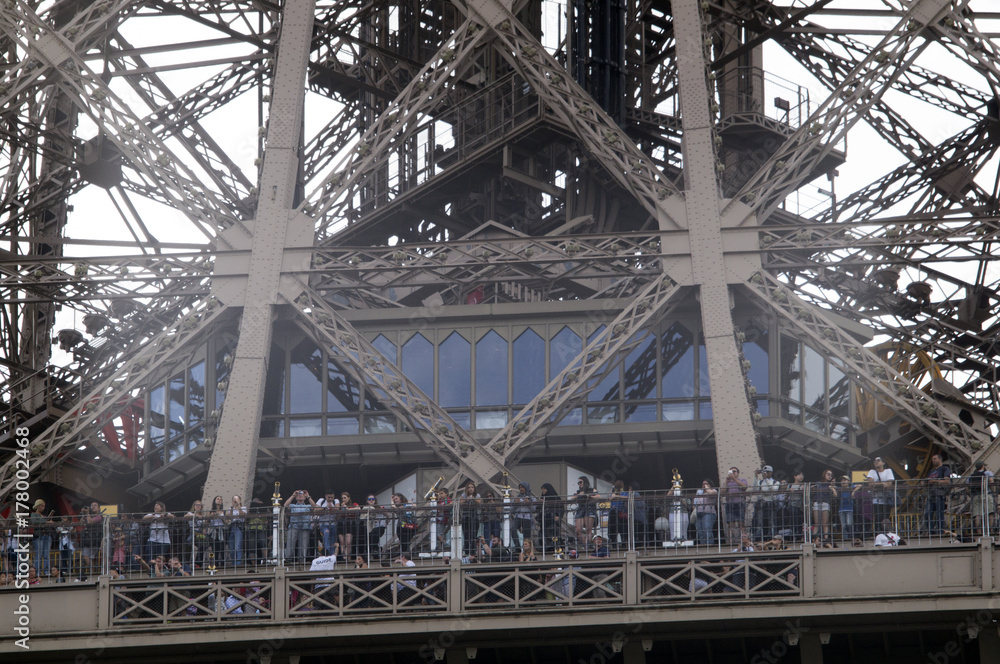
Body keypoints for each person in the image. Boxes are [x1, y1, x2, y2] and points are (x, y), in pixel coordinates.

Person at [284, 489, 317, 564]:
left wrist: (308, 496)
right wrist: (293, 495)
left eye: (302, 494)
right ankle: (288, 559)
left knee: (304, 544)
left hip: (305, 526)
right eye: (298, 495)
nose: (300, 495)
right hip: (293, 526)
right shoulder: (293, 505)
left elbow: (314, 506)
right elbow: (286, 505)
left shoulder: (308, 506)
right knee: (290, 542)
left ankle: (302, 560)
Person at [866, 457, 896, 537]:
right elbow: (870, 484)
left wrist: (876, 484)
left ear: (883, 463)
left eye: (878, 461)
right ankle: (878, 535)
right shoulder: (872, 471)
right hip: (876, 499)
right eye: (875, 461)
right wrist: (882, 484)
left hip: (886, 500)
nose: (876, 462)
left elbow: (889, 484)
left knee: (886, 517)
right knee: (878, 517)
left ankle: (886, 534)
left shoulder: (888, 471)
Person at [925, 454, 952, 537]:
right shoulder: (931, 471)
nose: (933, 460)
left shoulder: (945, 469)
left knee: (939, 513)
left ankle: (940, 531)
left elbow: (947, 481)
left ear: (940, 459)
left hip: (939, 494)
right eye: (932, 459)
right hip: (930, 495)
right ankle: (931, 531)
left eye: (935, 459)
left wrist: (935, 481)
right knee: (927, 513)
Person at [722, 467, 748, 547]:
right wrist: (727, 481)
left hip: (739, 503)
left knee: (741, 523)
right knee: (730, 524)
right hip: (730, 504)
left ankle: (742, 540)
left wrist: (735, 479)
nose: (733, 473)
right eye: (731, 471)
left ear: (738, 473)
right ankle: (731, 540)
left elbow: (744, 487)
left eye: (734, 471)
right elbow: (722, 492)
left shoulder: (742, 480)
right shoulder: (728, 482)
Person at [752, 466, 779, 540]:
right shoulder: (760, 482)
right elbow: (754, 488)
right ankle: (759, 537)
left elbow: (772, 490)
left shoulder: (775, 482)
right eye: (764, 472)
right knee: (759, 521)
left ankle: (772, 537)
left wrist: (766, 479)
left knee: (772, 521)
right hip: (762, 503)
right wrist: (755, 476)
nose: (765, 474)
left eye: (767, 472)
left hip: (771, 503)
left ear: (771, 473)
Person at [968, 461, 995, 537]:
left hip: (976, 496)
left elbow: (968, 486)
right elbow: (991, 482)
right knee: (990, 512)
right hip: (986, 494)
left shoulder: (972, 476)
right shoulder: (987, 473)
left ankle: (979, 532)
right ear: (983, 466)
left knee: (977, 514)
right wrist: (992, 492)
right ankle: (990, 530)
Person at [30, 499, 55, 577]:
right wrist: (46, 522)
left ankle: (46, 570)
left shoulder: (43, 516)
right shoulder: (34, 515)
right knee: (39, 555)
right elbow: (34, 522)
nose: (43, 507)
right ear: (38, 506)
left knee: (46, 554)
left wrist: (49, 523)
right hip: (39, 536)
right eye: (42, 506)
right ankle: (38, 571)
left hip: (46, 535)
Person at [80, 501, 103, 581]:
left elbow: (90, 522)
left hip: (95, 539)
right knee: (87, 556)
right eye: (92, 505)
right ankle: (92, 572)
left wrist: (87, 514)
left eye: (95, 505)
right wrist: (84, 514)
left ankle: (92, 572)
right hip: (87, 539)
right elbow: (81, 523)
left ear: (99, 508)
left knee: (88, 556)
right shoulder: (88, 515)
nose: (93, 507)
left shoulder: (99, 516)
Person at [457, 481, 481, 557]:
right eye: (469, 487)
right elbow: (460, 502)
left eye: (472, 487)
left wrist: (473, 499)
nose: (470, 489)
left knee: (473, 534)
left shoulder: (477, 495)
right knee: (466, 535)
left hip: (474, 517)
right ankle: (467, 551)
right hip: (466, 517)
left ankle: (473, 551)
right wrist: (467, 499)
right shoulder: (463, 495)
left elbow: (479, 502)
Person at [573, 476, 599, 546]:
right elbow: (571, 498)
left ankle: (587, 545)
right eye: (578, 483)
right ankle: (585, 545)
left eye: (580, 482)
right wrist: (579, 495)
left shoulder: (592, 490)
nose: (579, 484)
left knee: (588, 529)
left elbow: (598, 496)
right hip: (580, 509)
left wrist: (589, 496)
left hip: (589, 508)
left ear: (585, 482)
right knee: (578, 530)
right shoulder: (578, 491)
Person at [361, 493, 389, 558]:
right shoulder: (365, 508)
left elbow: (388, 515)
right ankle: (376, 552)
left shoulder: (379, 507)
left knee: (373, 535)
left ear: (375, 500)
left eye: (373, 499)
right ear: (367, 501)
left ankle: (376, 550)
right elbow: (362, 517)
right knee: (371, 538)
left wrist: (386, 523)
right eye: (369, 499)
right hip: (370, 527)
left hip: (380, 527)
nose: (371, 500)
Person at [812, 470, 835, 547]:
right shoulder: (818, 483)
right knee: (816, 523)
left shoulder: (830, 485)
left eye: (831, 475)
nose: (829, 476)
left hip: (825, 502)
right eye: (828, 474)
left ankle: (826, 539)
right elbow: (812, 489)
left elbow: (835, 495)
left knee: (825, 523)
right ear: (824, 474)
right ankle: (814, 538)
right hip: (817, 502)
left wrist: (833, 487)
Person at [512, 482, 537, 550]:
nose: (521, 489)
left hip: (527, 517)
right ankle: (517, 546)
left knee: (526, 534)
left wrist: (529, 503)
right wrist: (515, 503)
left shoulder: (532, 498)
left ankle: (527, 549)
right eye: (520, 487)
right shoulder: (517, 497)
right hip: (518, 517)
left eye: (522, 487)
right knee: (513, 528)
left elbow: (534, 509)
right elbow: (512, 509)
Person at [314, 492, 340, 556]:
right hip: (323, 524)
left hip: (333, 524)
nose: (330, 499)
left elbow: (337, 508)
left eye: (332, 497)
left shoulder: (336, 501)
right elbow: (315, 510)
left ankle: (332, 555)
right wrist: (325, 507)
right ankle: (326, 552)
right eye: (329, 497)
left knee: (332, 539)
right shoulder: (321, 501)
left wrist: (332, 508)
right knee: (326, 533)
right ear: (326, 496)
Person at [538, 483, 563, 553]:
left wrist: (559, 516)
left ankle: (553, 547)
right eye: (542, 490)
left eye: (544, 489)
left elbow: (560, 507)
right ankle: (545, 547)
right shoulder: (542, 498)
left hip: (553, 519)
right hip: (545, 519)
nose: (543, 491)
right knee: (543, 533)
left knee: (552, 532)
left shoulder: (555, 498)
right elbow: (538, 509)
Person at [836, 476, 860, 543]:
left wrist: (853, 492)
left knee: (849, 523)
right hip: (841, 509)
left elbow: (859, 485)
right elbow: (831, 487)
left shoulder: (851, 487)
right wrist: (833, 490)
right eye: (842, 480)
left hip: (849, 509)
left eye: (845, 480)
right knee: (843, 525)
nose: (843, 481)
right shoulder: (840, 488)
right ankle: (845, 539)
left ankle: (850, 536)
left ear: (848, 482)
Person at [694, 479, 718, 545]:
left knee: (707, 530)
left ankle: (709, 545)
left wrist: (707, 488)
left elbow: (710, 493)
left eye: (706, 484)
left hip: (708, 513)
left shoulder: (713, 491)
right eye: (703, 484)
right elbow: (695, 502)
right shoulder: (699, 492)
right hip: (699, 513)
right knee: (700, 531)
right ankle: (703, 545)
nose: (704, 485)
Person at [338, 491, 361, 557]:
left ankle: (347, 556)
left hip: (350, 524)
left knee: (348, 542)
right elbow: (338, 516)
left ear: (349, 498)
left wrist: (348, 509)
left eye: (345, 498)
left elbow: (358, 508)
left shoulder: (354, 504)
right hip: (342, 524)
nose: (343, 500)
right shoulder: (341, 506)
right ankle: (343, 556)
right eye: (342, 498)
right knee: (342, 542)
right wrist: (342, 509)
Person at [226, 495, 247, 567]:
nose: (235, 500)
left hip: (238, 527)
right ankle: (233, 563)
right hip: (232, 527)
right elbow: (230, 517)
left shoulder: (243, 508)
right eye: (234, 499)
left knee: (238, 547)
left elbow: (242, 515)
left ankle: (237, 565)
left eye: (236, 499)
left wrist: (238, 506)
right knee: (231, 549)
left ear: (240, 500)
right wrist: (232, 507)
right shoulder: (231, 509)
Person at [607, 480, 627, 547]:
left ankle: (623, 544)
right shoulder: (613, 493)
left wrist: (616, 496)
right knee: (613, 530)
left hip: (621, 512)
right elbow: (609, 498)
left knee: (622, 530)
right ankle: (614, 544)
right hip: (613, 512)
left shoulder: (624, 493)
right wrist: (613, 493)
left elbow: (627, 498)